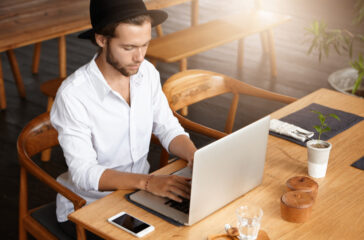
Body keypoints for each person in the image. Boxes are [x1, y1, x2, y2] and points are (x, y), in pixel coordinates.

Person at [50, 0, 197, 238]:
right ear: (101, 40)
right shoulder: (73, 95)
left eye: (145, 45)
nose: (139, 57)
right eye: (128, 48)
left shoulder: (146, 72)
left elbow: (167, 127)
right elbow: (83, 172)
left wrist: (194, 156)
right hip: (89, 206)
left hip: (140, 194)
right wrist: (148, 183)